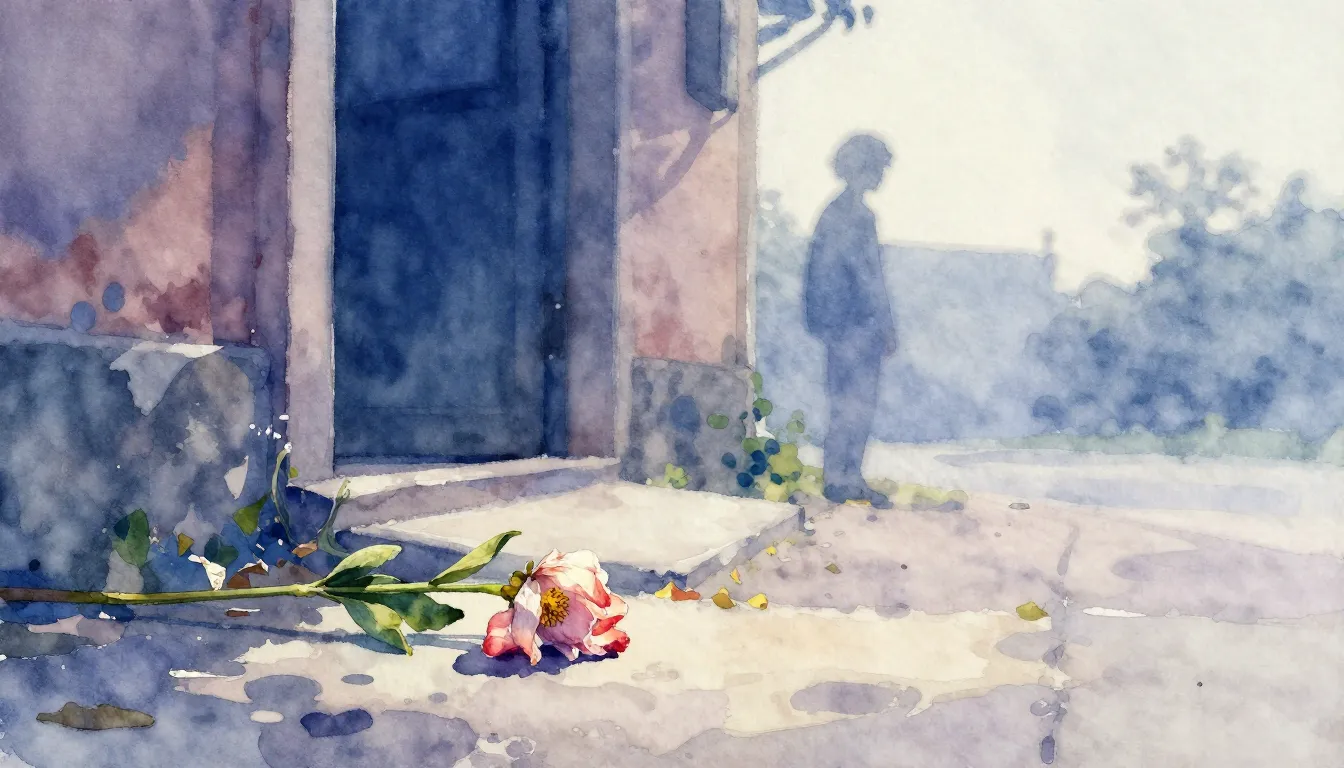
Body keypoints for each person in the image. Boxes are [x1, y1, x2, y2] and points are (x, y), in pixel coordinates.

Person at [802, 133, 897, 508]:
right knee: (855, 403)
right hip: (857, 324)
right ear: (863, 167)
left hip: (839, 325)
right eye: (880, 167)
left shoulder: (834, 211)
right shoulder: (857, 216)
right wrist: (885, 325)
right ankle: (844, 479)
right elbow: (868, 276)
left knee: (845, 402)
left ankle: (842, 477)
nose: (883, 175)